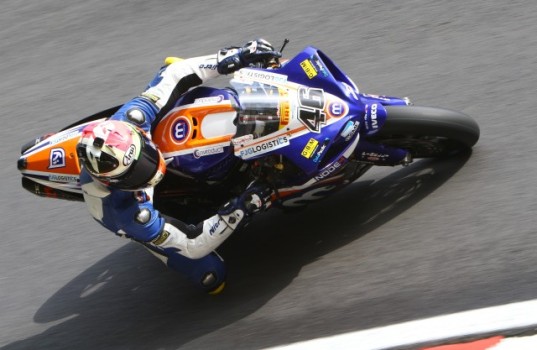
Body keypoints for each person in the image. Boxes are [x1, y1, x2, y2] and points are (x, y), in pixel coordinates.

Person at [75, 39, 281, 294]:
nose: (149, 168)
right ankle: (166, 251)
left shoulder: (132, 120)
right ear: (115, 182)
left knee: (179, 85)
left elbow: (174, 74)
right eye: (137, 172)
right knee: (209, 274)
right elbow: (192, 244)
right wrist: (239, 209)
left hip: (147, 141)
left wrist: (231, 58)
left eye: (144, 158)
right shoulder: (129, 213)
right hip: (134, 213)